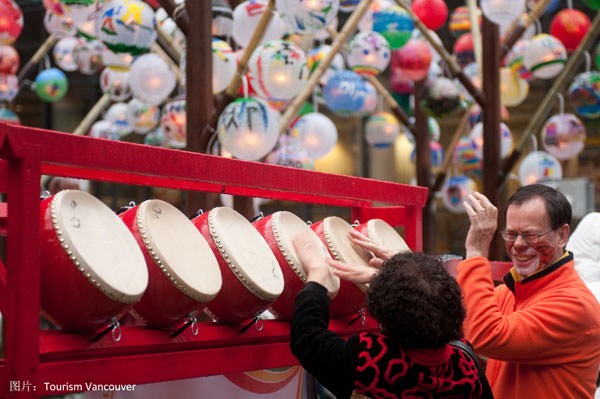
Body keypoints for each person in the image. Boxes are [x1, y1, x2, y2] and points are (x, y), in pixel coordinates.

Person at [289, 230, 484, 399]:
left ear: (384, 318)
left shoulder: (369, 360)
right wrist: (400, 275)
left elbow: (308, 337)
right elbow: (429, 300)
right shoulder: (466, 365)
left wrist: (317, 273)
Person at [459, 185, 600, 399]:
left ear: (562, 235)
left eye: (530, 236)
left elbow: (484, 335)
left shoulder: (574, 304)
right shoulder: (512, 291)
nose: (517, 245)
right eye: (511, 234)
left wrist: (477, 251)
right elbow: (457, 319)